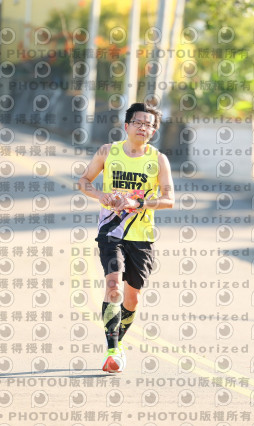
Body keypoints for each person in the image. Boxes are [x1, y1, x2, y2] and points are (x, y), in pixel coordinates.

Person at [77, 102, 175, 373]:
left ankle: (118, 343)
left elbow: (169, 199)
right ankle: (111, 351)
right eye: (138, 122)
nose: (143, 127)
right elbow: (84, 181)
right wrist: (101, 195)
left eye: (148, 125)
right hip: (111, 231)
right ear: (126, 126)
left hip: (142, 236)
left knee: (132, 299)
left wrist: (139, 203)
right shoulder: (108, 152)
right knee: (113, 287)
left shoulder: (158, 160)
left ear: (153, 131)